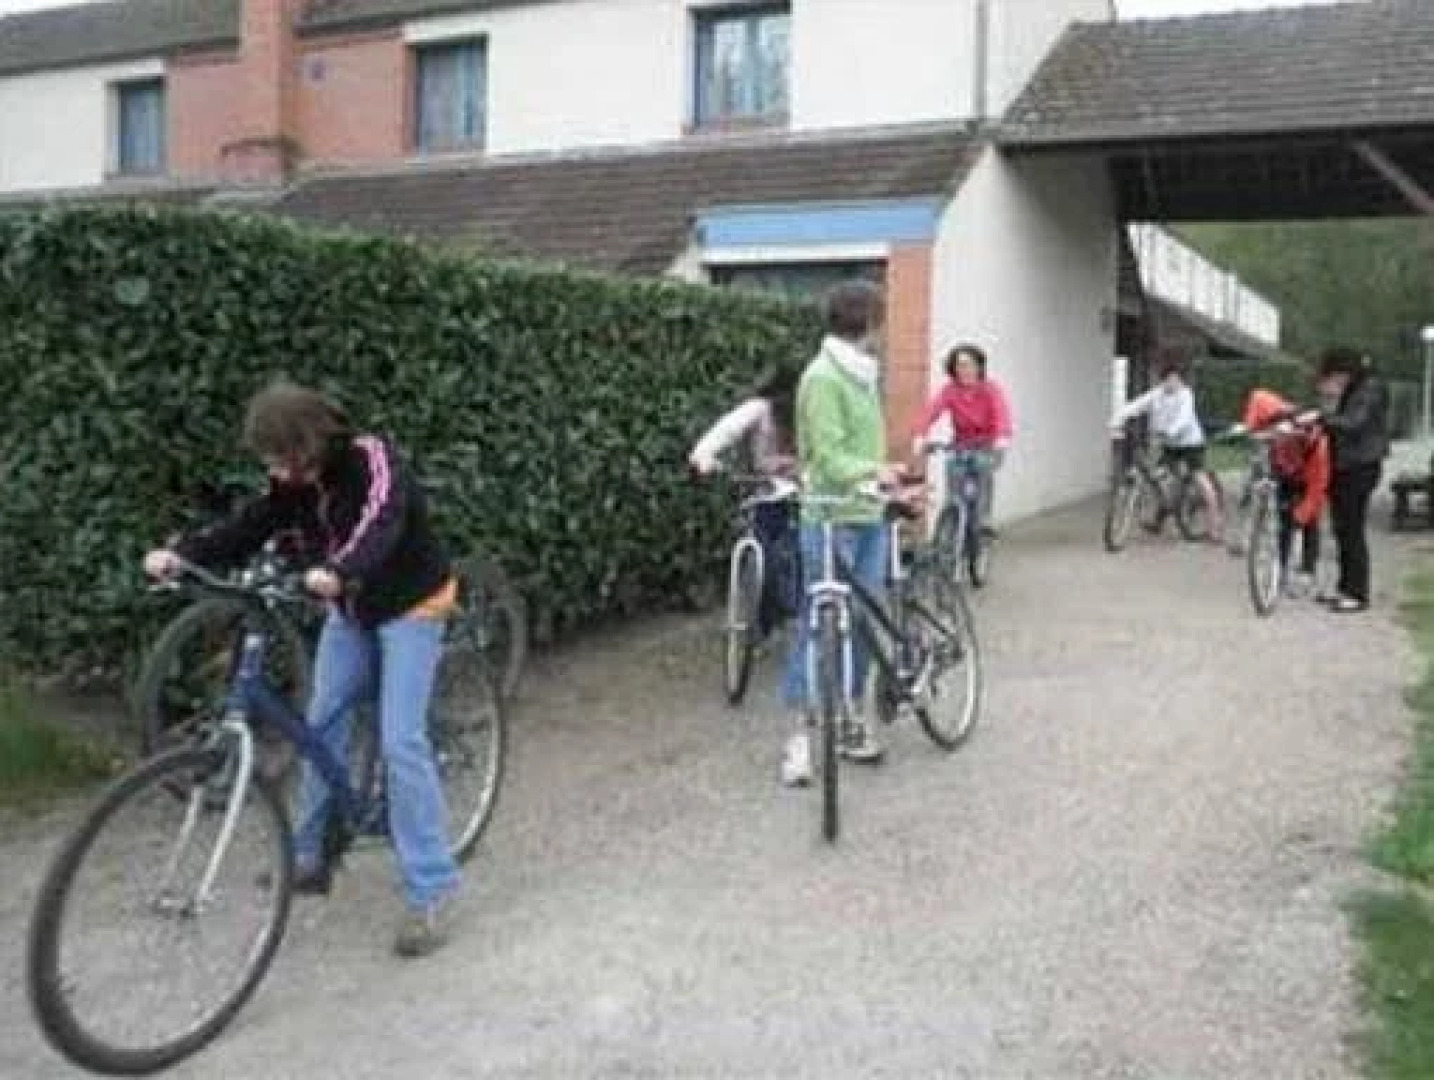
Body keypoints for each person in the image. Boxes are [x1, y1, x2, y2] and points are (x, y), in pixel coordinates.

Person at [142, 380, 462, 958]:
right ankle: (311, 857)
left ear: (310, 440)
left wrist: (341, 569)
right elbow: (255, 521)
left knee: (401, 741)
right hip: (351, 608)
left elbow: (381, 522)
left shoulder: (372, 460)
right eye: (270, 461)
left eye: (283, 458)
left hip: (413, 604)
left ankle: (429, 890)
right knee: (321, 722)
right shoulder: (292, 481)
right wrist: (185, 554)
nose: (278, 472)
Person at [780, 281, 907, 786]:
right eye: (880, 318)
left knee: (859, 623)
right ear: (868, 322)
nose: (884, 329)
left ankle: (849, 720)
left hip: (868, 515)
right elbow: (827, 455)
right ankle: (796, 739)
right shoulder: (823, 377)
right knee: (818, 624)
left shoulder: (861, 375)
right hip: (830, 517)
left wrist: (881, 480)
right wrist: (876, 473)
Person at [688, 364, 801, 642]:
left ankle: (787, 612)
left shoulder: (809, 413)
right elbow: (726, 430)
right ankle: (763, 623)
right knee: (764, 556)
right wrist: (703, 456)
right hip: (763, 492)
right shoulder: (759, 410)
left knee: (793, 555)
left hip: (798, 494)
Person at [1311, 346, 1389, 612]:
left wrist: (1324, 419)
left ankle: (1357, 592)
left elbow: (1355, 423)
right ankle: (1345, 587)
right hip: (1347, 464)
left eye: (1334, 377)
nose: (1334, 384)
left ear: (1344, 373)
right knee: (1342, 528)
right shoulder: (1357, 389)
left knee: (1352, 529)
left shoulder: (1370, 389)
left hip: (1360, 465)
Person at [1109, 356, 1221, 535]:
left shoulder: (1186, 395)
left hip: (1190, 444)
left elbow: (1184, 418)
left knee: (1201, 480)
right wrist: (1117, 418)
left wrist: (1170, 430)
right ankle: (1158, 520)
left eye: (1175, 379)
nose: (1172, 383)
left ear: (1180, 379)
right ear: (1163, 380)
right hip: (1169, 445)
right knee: (1160, 480)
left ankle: (1214, 527)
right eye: (1168, 379)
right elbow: (1136, 405)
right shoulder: (1157, 394)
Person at [911, 343, 1013, 534]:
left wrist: (1002, 438)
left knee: (983, 468)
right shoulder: (950, 390)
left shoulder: (990, 389)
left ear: (979, 367)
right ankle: (952, 525)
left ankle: (983, 519)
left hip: (988, 445)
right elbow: (931, 411)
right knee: (954, 481)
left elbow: (1002, 414)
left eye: (969, 365)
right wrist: (920, 435)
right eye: (959, 365)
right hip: (961, 444)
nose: (964, 370)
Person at [1241, 388, 1330, 595]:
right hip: (1284, 474)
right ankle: (1279, 570)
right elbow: (1257, 399)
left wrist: (1301, 515)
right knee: (1283, 520)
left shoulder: (1317, 446)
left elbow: (1317, 490)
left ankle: (1308, 571)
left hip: (1308, 476)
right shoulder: (1271, 416)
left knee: (1308, 521)